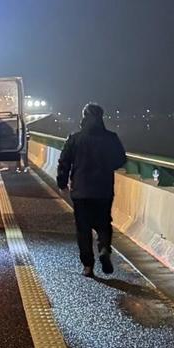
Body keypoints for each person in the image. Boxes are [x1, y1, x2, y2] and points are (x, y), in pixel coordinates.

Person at [55, 102, 127, 276]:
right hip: (103, 189)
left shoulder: (75, 138)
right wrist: (106, 165)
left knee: (83, 228)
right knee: (104, 222)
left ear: (84, 117)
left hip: (81, 191)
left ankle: (88, 266)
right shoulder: (111, 137)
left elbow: (64, 161)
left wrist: (62, 182)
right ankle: (104, 248)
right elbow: (121, 160)